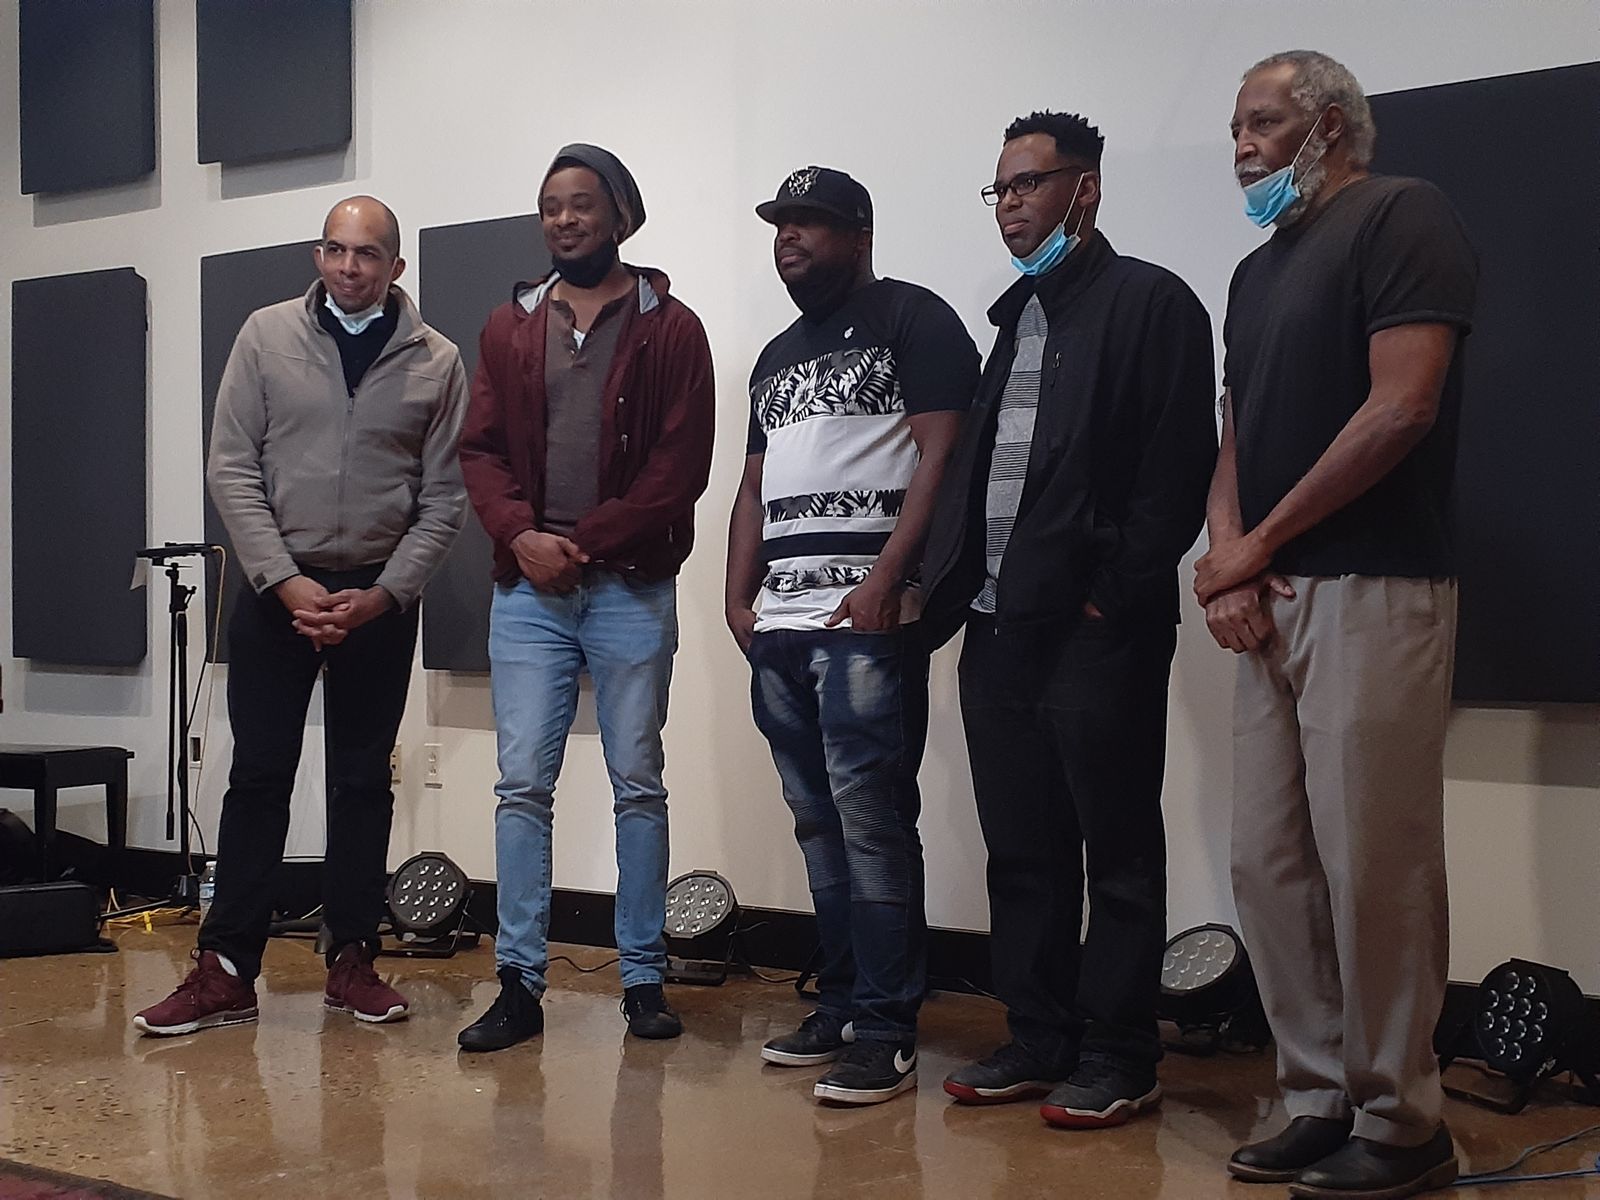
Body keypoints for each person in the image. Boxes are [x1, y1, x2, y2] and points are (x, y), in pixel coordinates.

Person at [1200, 51, 1475, 1198]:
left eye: (1263, 123)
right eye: (1234, 127)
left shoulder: (1403, 216)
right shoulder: (1254, 273)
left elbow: (1402, 404)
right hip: (1265, 603)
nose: (1241, 147)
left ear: (1329, 126)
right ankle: (1315, 1097)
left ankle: (1403, 1122)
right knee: (1268, 863)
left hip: (1373, 586)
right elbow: (1237, 428)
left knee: (1373, 865)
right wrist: (1228, 559)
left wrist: (1259, 543)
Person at [920, 112, 1217, 1128]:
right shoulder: (1018, 319)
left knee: (1117, 850)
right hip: (1000, 629)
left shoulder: (1151, 302)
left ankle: (1121, 1055)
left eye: (1028, 184)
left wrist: (1113, 592)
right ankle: (1038, 1037)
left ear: (1082, 189)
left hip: (1096, 631)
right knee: (1022, 850)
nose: (1010, 205)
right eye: (999, 189)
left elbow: (1177, 467)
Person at [135, 196, 469, 1035]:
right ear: (318, 256)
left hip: (377, 600)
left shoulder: (438, 361)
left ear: (396, 266)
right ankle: (225, 969)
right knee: (257, 777)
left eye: (367, 253)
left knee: (362, 782)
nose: (349, 267)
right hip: (274, 594)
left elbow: (445, 500)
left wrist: (384, 594)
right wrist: (284, 581)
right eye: (335, 249)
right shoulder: (264, 335)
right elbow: (232, 468)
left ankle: (351, 960)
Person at [726, 166, 979, 1104]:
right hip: (781, 626)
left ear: (861, 235)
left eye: (811, 223)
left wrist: (888, 582)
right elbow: (754, 485)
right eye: (780, 225)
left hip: (866, 623)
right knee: (817, 824)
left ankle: (885, 1027)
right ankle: (838, 1002)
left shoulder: (915, 319)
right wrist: (736, 596)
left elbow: (944, 454)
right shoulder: (774, 356)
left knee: (872, 824)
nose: (789, 237)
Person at [456, 144, 715, 1050]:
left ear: (620, 217)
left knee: (637, 784)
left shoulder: (671, 328)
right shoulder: (508, 326)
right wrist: (522, 537)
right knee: (522, 787)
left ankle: (642, 979)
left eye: (581, 204)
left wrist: (584, 542)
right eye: (550, 206)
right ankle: (518, 984)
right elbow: (479, 450)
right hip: (529, 591)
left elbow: (680, 467)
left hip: (629, 587)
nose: (564, 220)